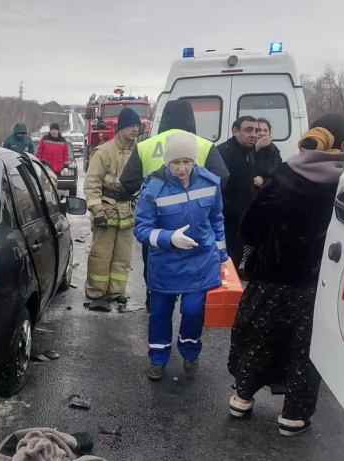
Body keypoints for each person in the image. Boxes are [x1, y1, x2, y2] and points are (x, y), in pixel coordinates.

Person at [227, 113, 344, 437]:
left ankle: (242, 398)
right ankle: (293, 417)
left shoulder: (286, 172)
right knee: (306, 350)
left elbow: (251, 227)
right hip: (316, 285)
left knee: (258, 339)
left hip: (270, 279)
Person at [134, 131, 228, 381]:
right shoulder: (153, 190)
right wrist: (169, 238)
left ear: (194, 161)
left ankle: (190, 352)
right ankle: (158, 358)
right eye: (176, 162)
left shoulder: (210, 183)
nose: (182, 168)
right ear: (167, 162)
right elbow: (141, 229)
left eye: (187, 162)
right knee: (161, 312)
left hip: (201, 260)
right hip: (166, 263)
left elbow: (217, 219)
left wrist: (222, 255)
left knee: (194, 310)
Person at [119, 99, 230, 311]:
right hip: (194, 225)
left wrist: (147, 197)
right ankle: (191, 311)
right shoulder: (203, 144)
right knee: (195, 274)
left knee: (155, 266)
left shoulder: (145, 145)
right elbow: (222, 177)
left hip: (156, 222)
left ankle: (155, 304)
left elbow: (127, 181)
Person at [83, 108, 141, 305]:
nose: (136, 129)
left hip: (126, 209)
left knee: (122, 256)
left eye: (137, 125)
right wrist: (97, 210)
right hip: (106, 210)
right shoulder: (103, 152)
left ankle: (117, 292)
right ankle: (96, 292)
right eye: (132, 125)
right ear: (121, 128)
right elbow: (92, 183)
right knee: (101, 254)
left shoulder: (139, 151)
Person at [218, 115, 259, 269]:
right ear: (235, 131)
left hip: (241, 221)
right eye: (248, 130)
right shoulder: (223, 153)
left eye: (256, 130)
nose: (253, 134)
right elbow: (215, 189)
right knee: (226, 263)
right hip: (225, 222)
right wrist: (232, 212)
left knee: (235, 260)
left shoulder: (248, 152)